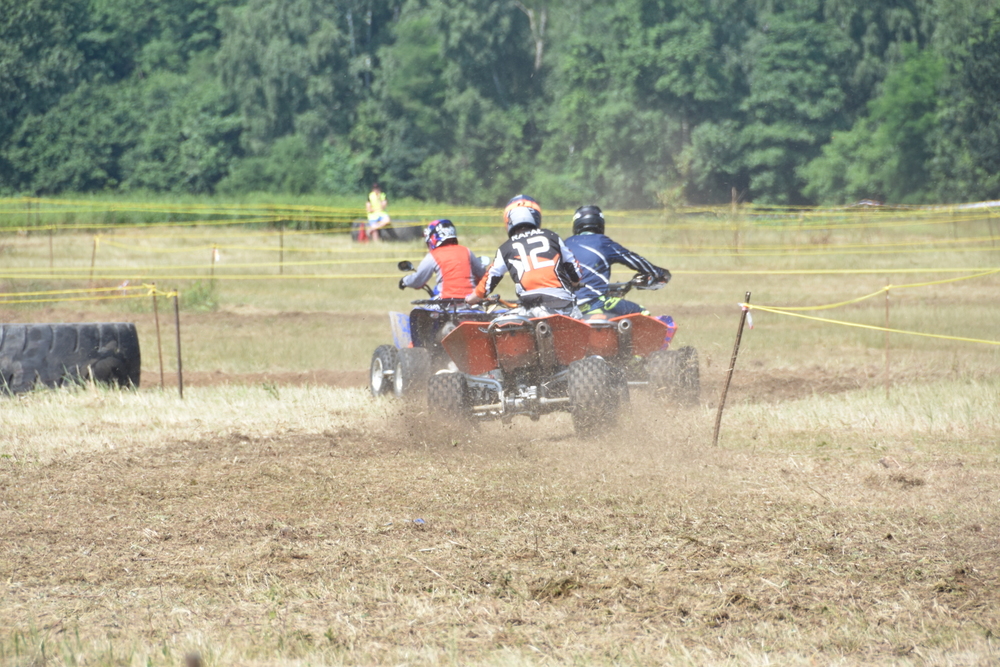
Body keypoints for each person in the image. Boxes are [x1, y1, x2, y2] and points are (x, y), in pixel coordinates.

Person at [466, 195, 583, 318]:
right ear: (535, 217)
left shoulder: (505, 248)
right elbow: (576, 271)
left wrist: (471, 299)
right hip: (562, 303)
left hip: (529, 305)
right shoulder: (552, 236)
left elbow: (488, 281)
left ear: (508, 221)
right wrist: (574, 282)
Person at [563, 205, 670, 317]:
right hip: (595, 304)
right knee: (642, 314)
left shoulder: (565, 244)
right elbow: (633, 259)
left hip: (564, 308)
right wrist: (658, 272)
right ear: (600, 224)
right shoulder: (602, 242)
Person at [399, 219, 486, 298]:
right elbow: (483, 274)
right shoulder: (466, 251)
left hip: (446, 301)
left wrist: (405, 281)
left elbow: (418, 280)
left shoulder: (433, 255)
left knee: (418, 312)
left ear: (433, 237)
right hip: (471, 300)